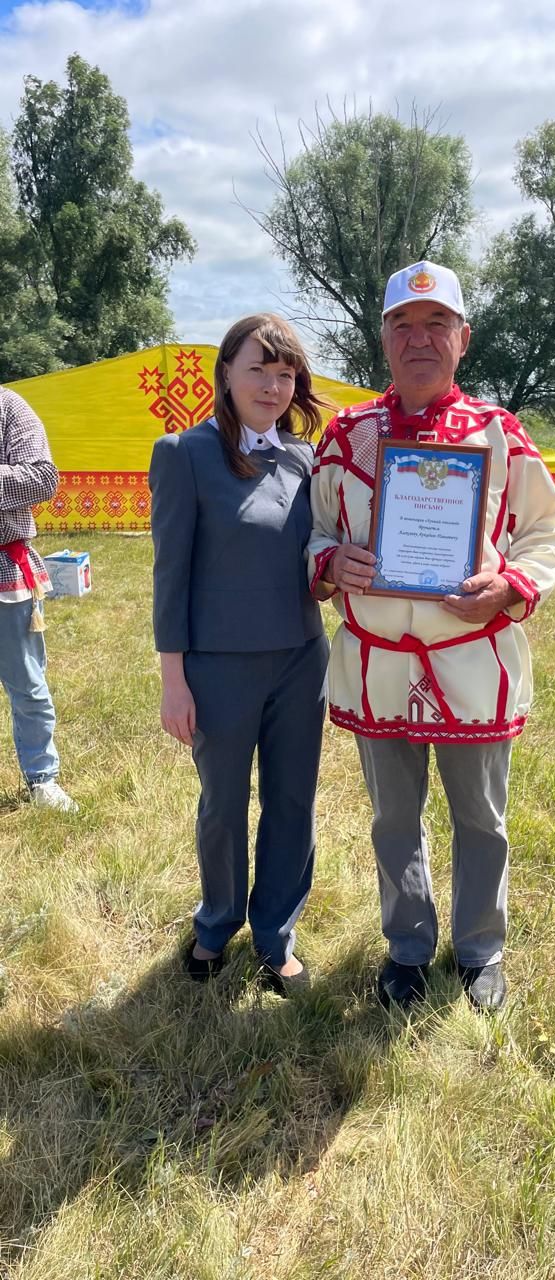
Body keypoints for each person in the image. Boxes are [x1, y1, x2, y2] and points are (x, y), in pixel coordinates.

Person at [308, 261, 555, 1012]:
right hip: (379, 666)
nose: (418, 339)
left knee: (481, 817)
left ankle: (481, 949)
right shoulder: (348, 435)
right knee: (394, 817)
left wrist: (511, 587)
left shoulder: (500, 433)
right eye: (402, 325)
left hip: (471, 660)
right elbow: (316, 530)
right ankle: (409, 947)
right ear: (382, 338)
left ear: (463, 338)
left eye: (435, 325)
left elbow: (548, 533)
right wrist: (331, 561)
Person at [149, 314, 330, 988]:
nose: (273, 385)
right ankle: (217, 923)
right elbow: (170, 575)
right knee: (222, 804)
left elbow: (322, 549)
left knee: (292, 802)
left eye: (286, 374)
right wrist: (175, 679)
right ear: (224, 372)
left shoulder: (306, 458)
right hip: (218, 668)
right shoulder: (183, 454)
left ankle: (276, 933)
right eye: (258, 368)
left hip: (301, 661)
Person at [0, 387, 77, 812]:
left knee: (26, 683)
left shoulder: (8, 407)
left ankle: (41, 777)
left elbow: (42, 477)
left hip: (4, 569)